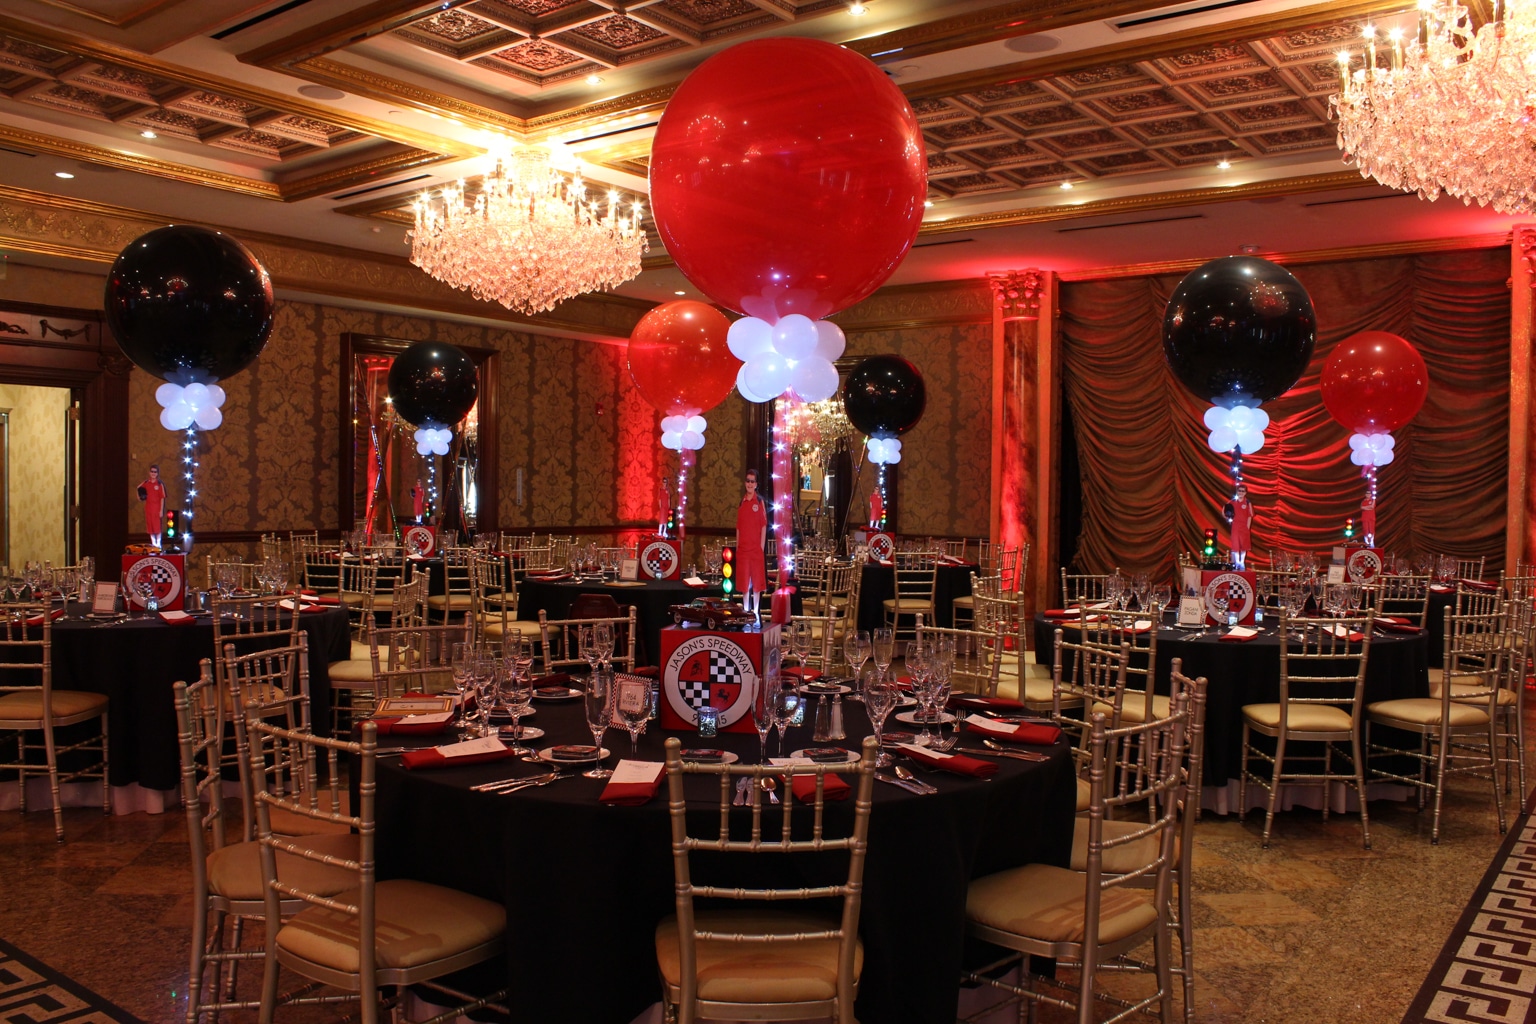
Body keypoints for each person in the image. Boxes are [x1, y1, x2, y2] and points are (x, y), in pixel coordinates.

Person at [734, 468, 767, 615]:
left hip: (755, 550)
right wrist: (738, 547)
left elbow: (764, 526)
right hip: (743, 550)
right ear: (744, 483)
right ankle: (746, 612)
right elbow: (739, 527)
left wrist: (761, 547)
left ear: (756, 484)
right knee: (745, 585)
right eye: (748, 481)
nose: (750, 484)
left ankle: (756, 613)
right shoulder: (742, 502)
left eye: (752, 481)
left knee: (757, 585)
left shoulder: (759, 501)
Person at [1223, 483, 1253, 570]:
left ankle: (1242, 562)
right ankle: (1237, 562)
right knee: (1236, 545)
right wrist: (1228, 518)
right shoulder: (1232, 502)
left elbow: (1250, 516)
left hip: (1244, 527)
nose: (1241, 493)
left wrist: (1247, 527)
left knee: (1244, 545)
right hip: (1235, 527)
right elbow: (1224, 511)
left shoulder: (1247, 503)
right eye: (1239, 491)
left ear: (1245, 493)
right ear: (1237, 492)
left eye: (1243, 491)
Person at [137, 464, 165, 548]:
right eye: (152, 471)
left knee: (157, 527)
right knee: (150, 527)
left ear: (157, 473)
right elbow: (138, 488)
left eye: (155, 472)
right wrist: (139, 496)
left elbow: (162, 498)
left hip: (157, 509)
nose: (153, 473)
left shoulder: (159, 484)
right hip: (148, 508)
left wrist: (161, 510)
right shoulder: (146, 483)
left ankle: (158, 544)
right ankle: (153, 543)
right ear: (149, 472)